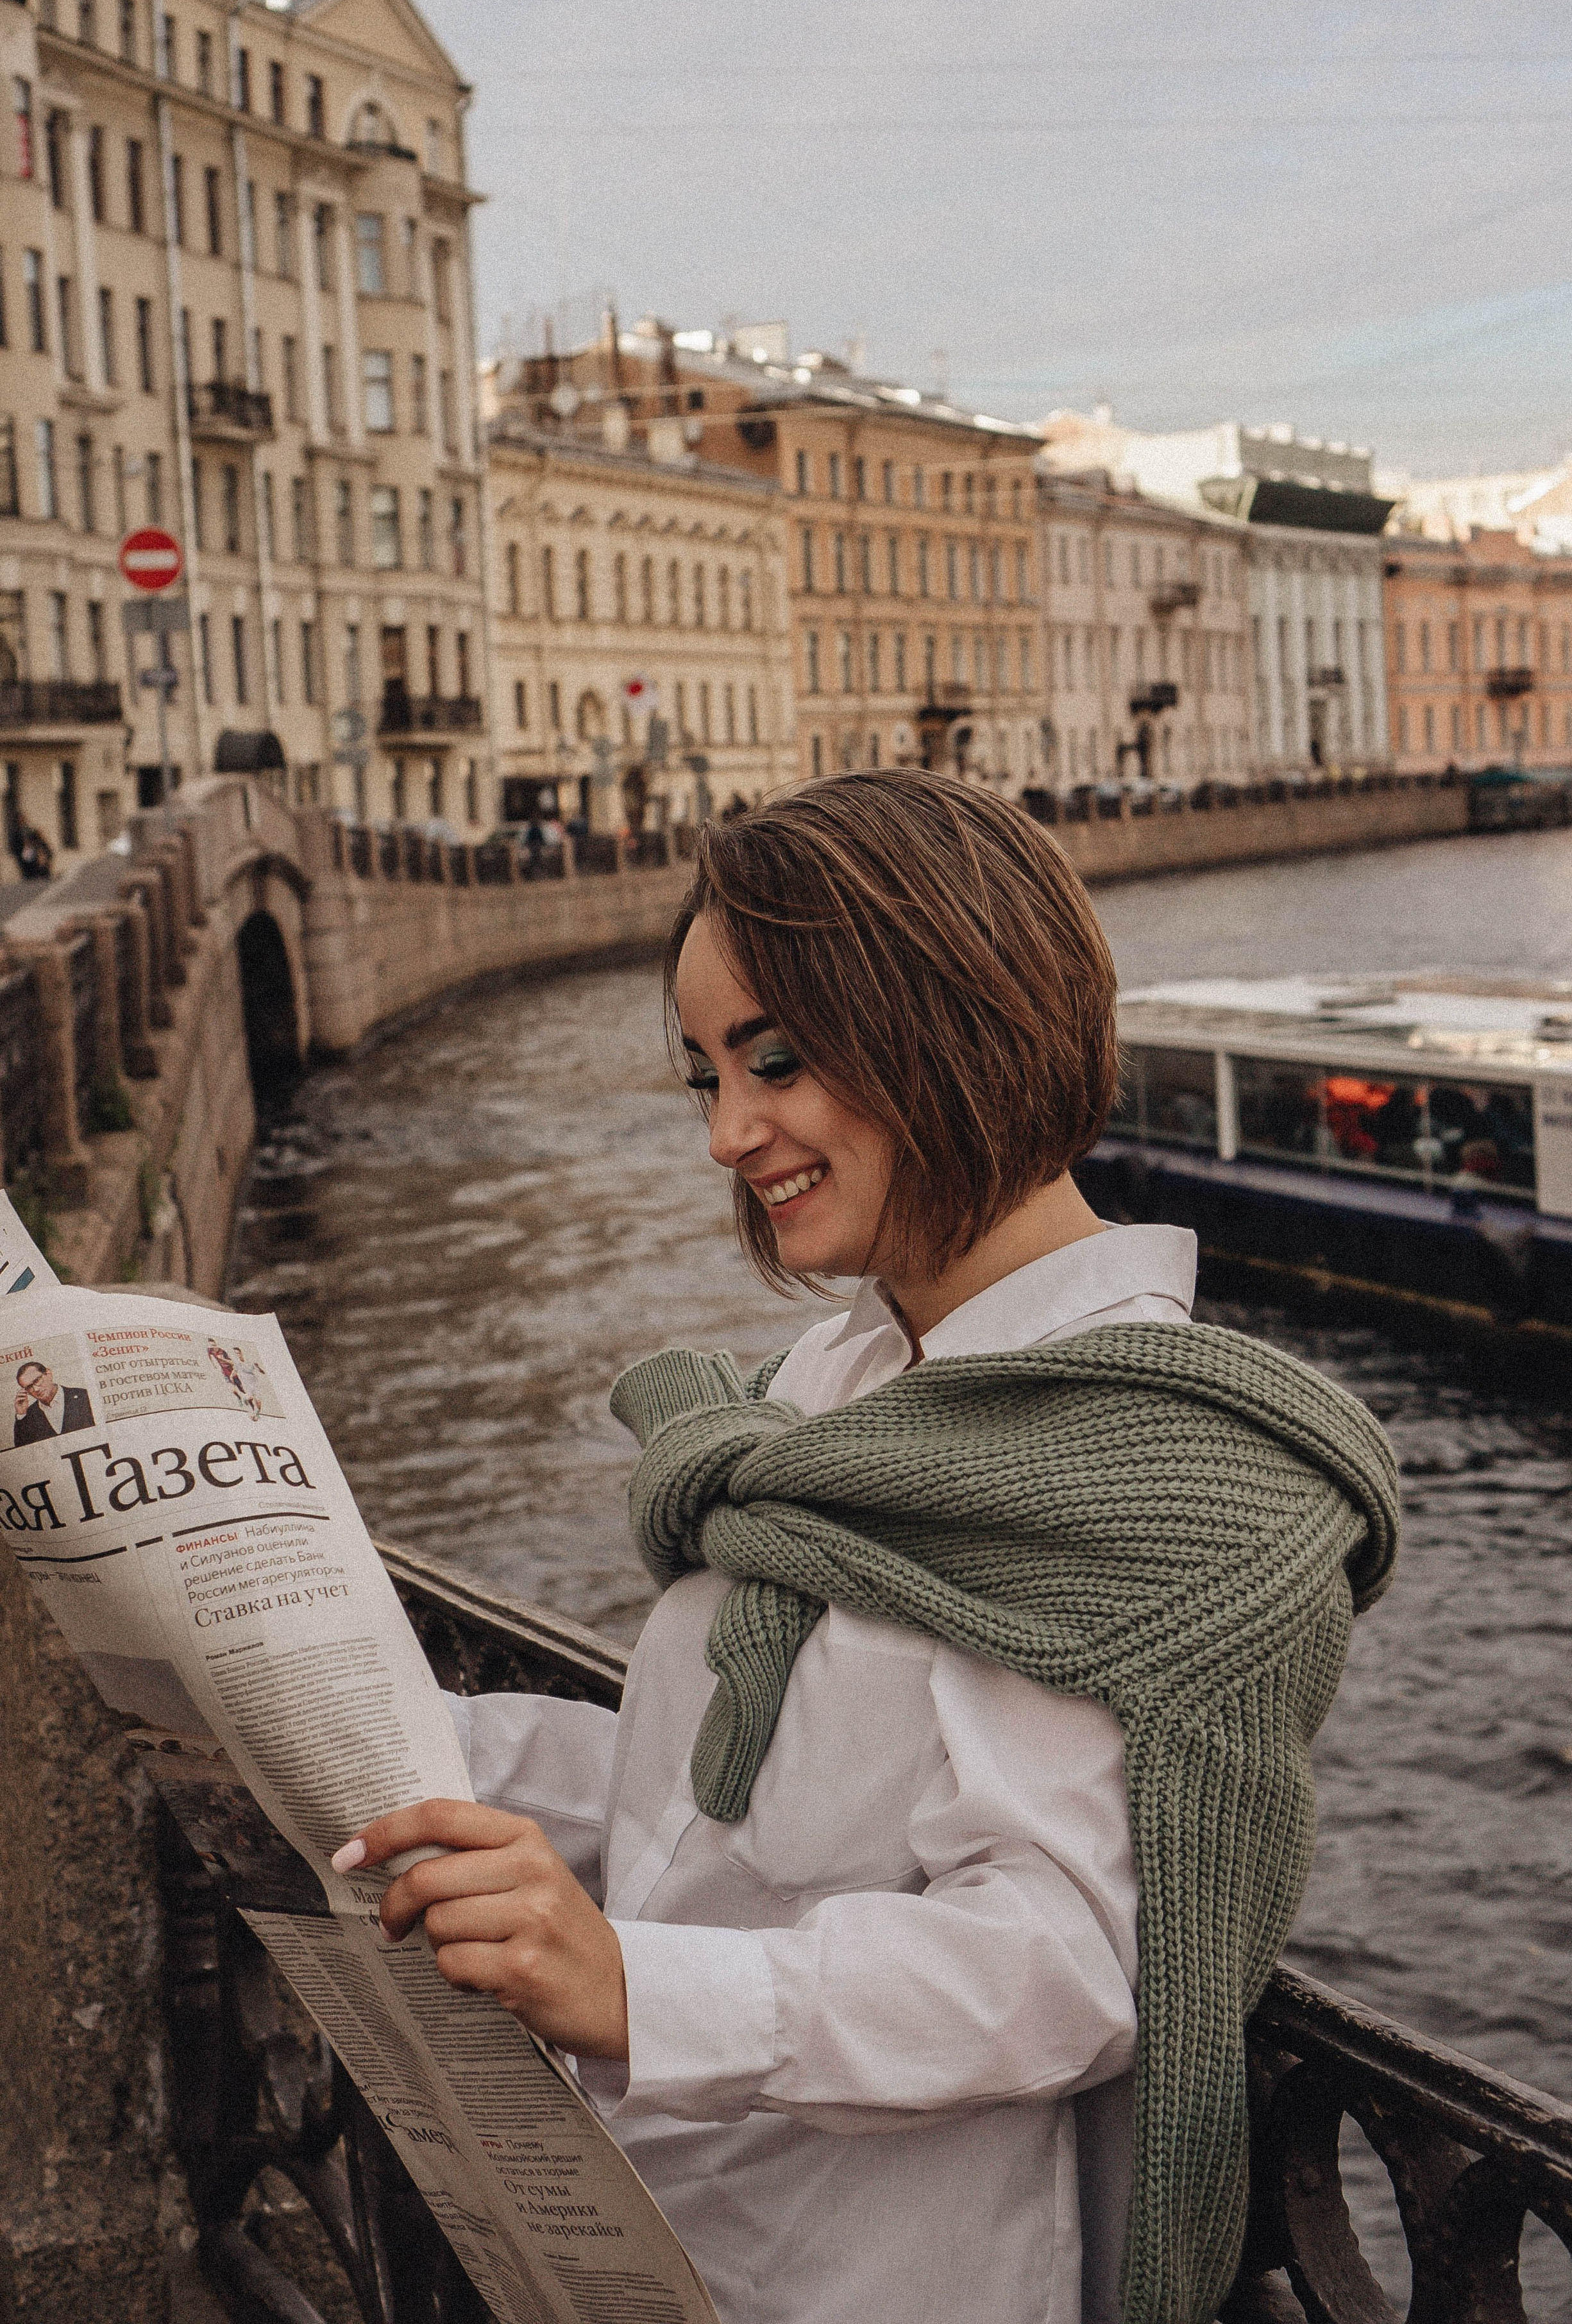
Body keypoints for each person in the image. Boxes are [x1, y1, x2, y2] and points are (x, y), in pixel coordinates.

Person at [335, 773, 1399, 2324]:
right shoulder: (824, 1390)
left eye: (774, 1059)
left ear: (951, 1022)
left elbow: (1064, 1964)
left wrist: (639, 1989)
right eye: (704, 1074)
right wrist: (385, 1746)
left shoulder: (1137, 1468)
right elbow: (730, 1794)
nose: (727, 1131)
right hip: (652, 2234)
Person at [13, 1358, 94, 1446]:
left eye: (37, 1381)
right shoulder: (28, 1415)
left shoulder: (84, 1396)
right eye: (29, 1387)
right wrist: (21, 1415)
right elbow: (23, 1450)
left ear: (49, 1374)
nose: (36, 1389)